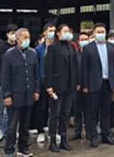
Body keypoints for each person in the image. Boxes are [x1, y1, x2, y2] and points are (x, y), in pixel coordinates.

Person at [1, 28, 40, 157]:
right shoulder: (9, 55)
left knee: (25, 124)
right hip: (15, 95)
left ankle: (23, 148)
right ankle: (9, 149)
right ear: (17, 39)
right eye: (24, 37)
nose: (27, 40)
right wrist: (7, 95)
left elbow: (36, 75)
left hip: (28, 94)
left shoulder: (32, 53)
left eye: (28, 37)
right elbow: (5, 77)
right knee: (12, 125)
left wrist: (36, 90)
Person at [82, 23, 114, 147]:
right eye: (98, 32)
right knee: (92, 112)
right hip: (93, 84)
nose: (100, 34)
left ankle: (105, 135)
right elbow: (84, 68)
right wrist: (85, 85)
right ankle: (93, 136)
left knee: (106, 111)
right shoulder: (88, 48)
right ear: (93, 33)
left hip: (108, 83)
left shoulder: (111, 47)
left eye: (102, 32)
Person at [45, 24, 79, 152]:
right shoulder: (53, 47)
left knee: (65, 114)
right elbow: (48, 67)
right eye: (65, 31)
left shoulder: (71, 46)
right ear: (58, 33)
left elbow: (75, 66)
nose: (67, 33)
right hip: (57, 86)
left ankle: (64, 139)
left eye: (68, 31)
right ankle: (53, 141)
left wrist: (76, 82)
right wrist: (49, 85)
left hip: (70, 86)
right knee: (55, 115)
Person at [0, 24, 18, 142]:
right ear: (7, 34)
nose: (14, 35)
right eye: (12, 33)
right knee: (0, 107)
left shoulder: (20, 48)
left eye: (16, 33)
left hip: (16, 83)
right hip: (3, 82)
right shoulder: (2, 47)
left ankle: (11, 129)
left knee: (15, 108)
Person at [34, 23, 56, 143]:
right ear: (44, 33)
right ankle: (40, 131)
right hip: (42, 83)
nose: (52, 32)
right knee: (41, 108)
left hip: (55, 83)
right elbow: (36, 68)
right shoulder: (38, 50)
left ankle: (53, 132)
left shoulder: (57, 46)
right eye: (50, 30)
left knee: (54, 109)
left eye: (54, 30)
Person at [72, 32, 90, 140]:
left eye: (86, 39)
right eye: (82, 39)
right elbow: (73, 71)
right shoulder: (75, 55)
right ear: (78, 42)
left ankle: (89, 131)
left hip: (90, 87)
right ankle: (77, 131)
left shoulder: (91, 53)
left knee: (89, 110)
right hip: (77, 87)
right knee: (77, 110)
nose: (84, 41)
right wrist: (76, 83)